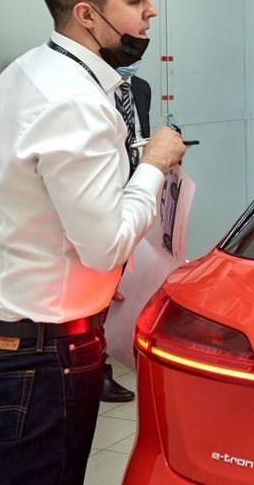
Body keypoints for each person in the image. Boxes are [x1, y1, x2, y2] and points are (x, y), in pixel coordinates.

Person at [0, 0, 187, 484]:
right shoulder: (74, 102)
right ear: (87, 15)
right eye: (135, 0)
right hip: (43, 352)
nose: (151, 11)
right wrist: (154, 165)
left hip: (9, 325)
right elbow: (105, 245)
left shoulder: (30, 71)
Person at [96, 65, 151, 403]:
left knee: (127, 283)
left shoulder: (140, 87)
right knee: (100, 282)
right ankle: (98, 370)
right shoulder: (90, 88)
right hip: (103, 194)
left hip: (137, 191)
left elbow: (141, 137)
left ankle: (119, 348)